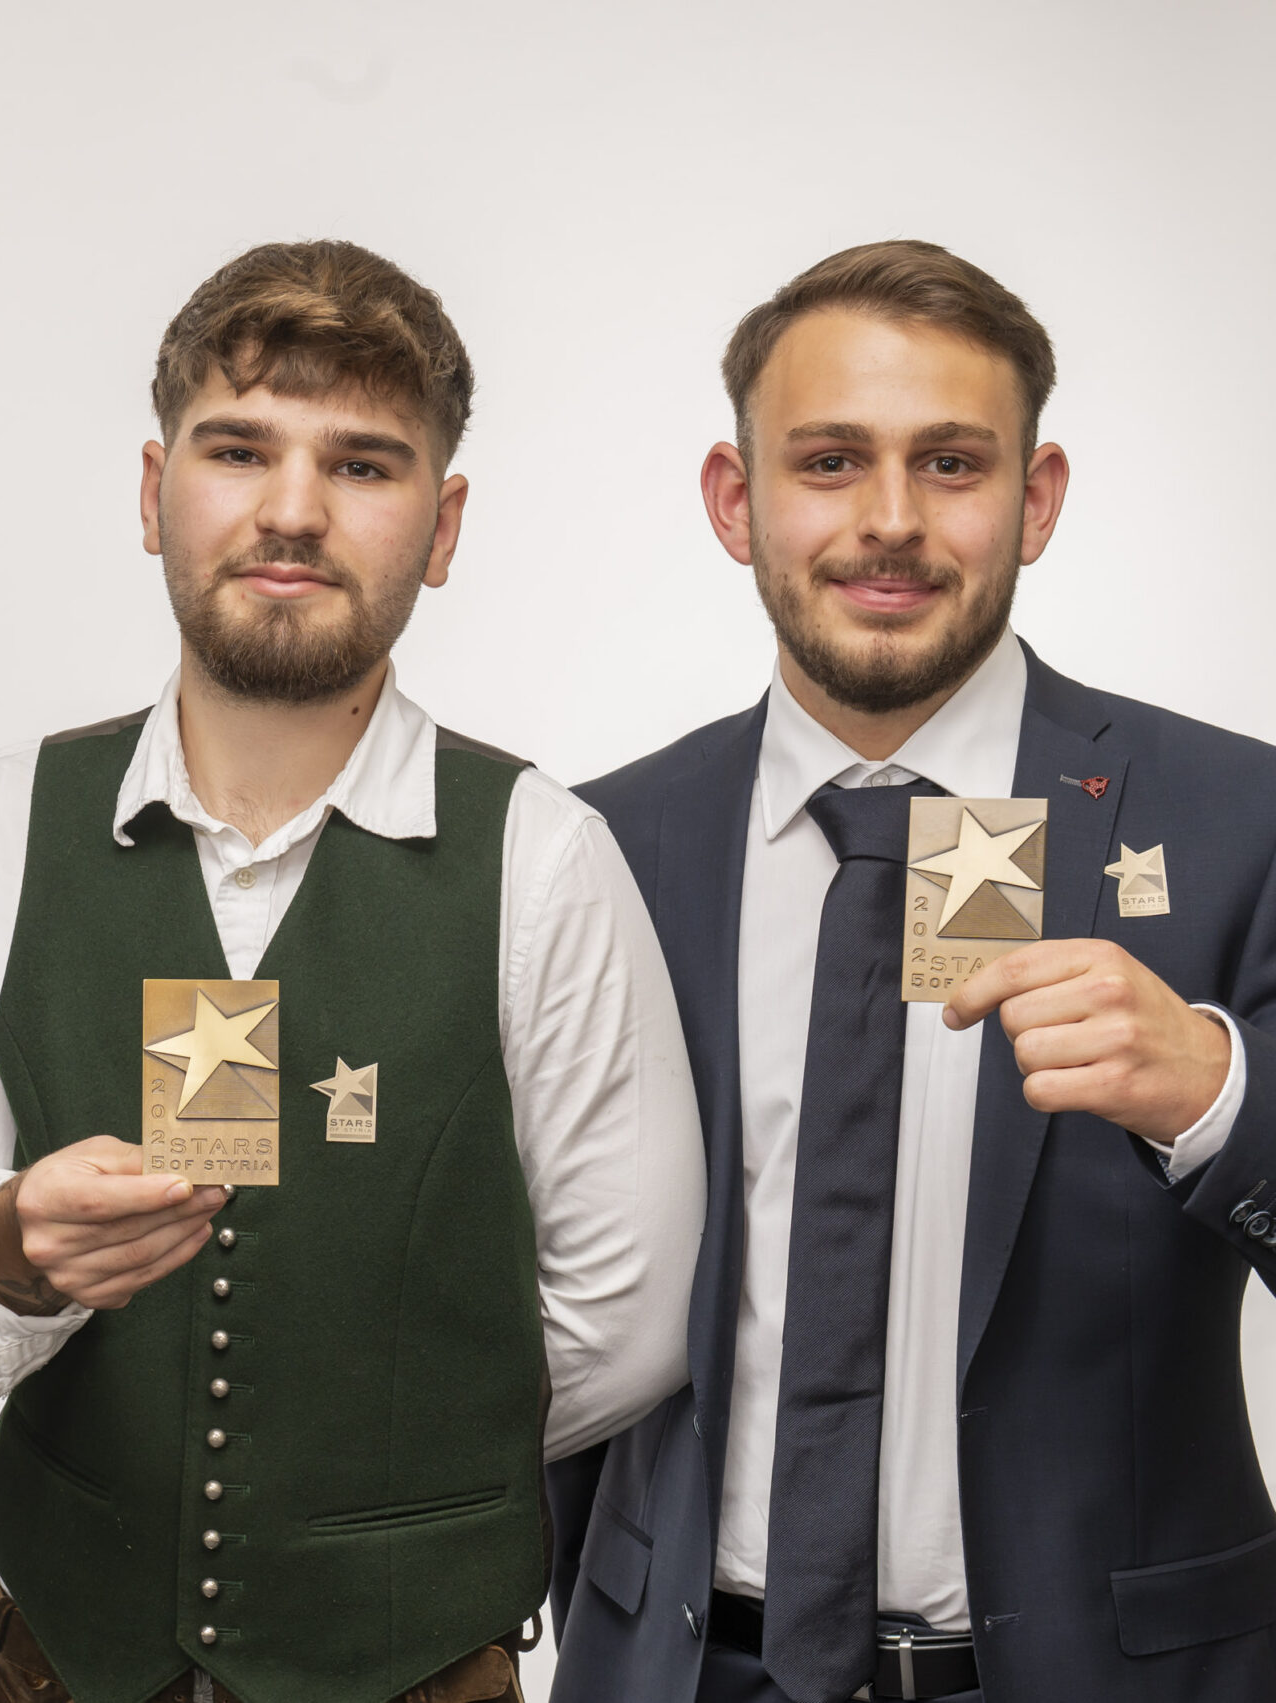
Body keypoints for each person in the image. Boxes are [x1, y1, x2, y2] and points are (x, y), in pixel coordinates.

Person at [0, 240, 707, 1703]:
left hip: (415, 1668)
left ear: (443, 525)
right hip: (58, 1660)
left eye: (363, 465)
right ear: (155, 492)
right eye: (239, 450)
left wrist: (376, 1498)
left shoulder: (547, 858)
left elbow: (629, 1322)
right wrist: (9, 1243)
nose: (291, 511)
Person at [545, 240, 1276, 1703]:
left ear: (1037, 498)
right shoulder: (599, 844)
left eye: (951, 464)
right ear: (735, 500)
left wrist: (1218, 1094)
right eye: (830, 462)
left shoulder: (1239, 818)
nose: (890, 522)